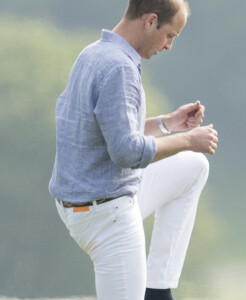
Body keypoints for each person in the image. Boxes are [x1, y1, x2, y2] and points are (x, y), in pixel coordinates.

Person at [49, 0, 218, 299]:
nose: (168, 47)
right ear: (150, 20)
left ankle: (158, 287)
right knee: (191, 155)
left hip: (92, 200)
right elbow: (126, 152)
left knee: (193, 167)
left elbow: (110, 132)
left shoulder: (95, 53)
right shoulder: (119, 68)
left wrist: (168, 123)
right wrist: (190, 140)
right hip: (104, 214)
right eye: (169, 36)